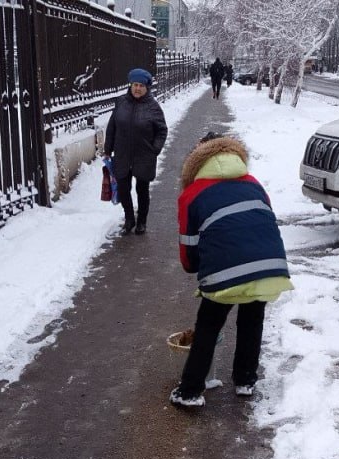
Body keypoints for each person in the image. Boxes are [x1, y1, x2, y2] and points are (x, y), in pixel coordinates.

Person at [170, 132, 294, 407]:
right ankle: (246, 380)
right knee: (252, 319)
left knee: (208, 326)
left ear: (197, 162)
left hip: (224, 273)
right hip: (268, 266)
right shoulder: (254, 184)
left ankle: (190, 391)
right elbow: (263, 222)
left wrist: (197, 268)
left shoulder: (192, 194)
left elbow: (189, 248)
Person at [104, 68, 168, 235]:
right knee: (123, 189)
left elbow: (162, 130)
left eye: (141, 85)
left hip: (144, 155)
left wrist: (155, 149)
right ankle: (129, 218)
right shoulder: (121, 102)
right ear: (130, 85)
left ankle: (142, 222)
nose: (137, 88)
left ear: (147, 88)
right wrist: (107, 149)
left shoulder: (153, 107)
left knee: (142, 189)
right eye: (134, 85)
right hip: (123, 153)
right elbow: (112, 127)